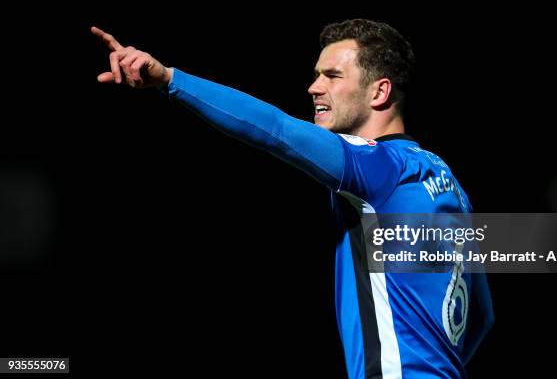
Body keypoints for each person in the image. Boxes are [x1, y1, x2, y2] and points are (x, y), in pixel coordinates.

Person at [92, 19, 494, 379]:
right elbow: (481, 318)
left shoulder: (379, 166)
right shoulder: (448, 183)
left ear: (380, 91)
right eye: (316, 75)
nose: (314, 87)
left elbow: (277, 129)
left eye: (332, 76)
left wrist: (169, 78)